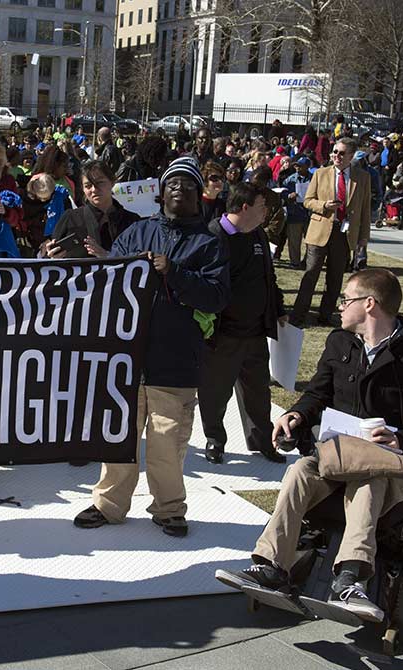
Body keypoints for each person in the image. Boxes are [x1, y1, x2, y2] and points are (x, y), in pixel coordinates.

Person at [220, 268, 403, 622]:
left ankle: (350, 578)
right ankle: (271, 565)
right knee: (300, 470)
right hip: (337, 458)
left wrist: (400, 439)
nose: (340, 306)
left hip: (391, 467)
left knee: (369, 479)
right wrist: (297, 415)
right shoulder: (340, 343)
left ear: (370, 304)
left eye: (347, 299)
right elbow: (317, 394)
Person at [73, 157, 231, 538]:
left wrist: (173, 272)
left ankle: (168, 509)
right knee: (119, 439)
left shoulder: (210, 244)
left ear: (200, 196)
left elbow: (216, 298)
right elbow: (108, 280)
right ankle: (108, 505)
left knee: (167, 443)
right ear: (161, 193)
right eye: (172, 183)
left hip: (175, 359)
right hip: (128, 356)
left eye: (188, 185)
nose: (179, 189)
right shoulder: (137, 232)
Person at [199, 182, 287, 465]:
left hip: (255, 330)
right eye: (263, 206)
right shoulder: (214, 234)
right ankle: (215, 440)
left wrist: (278, 308)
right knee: (216, 390)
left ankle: (262, 439)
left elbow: (268, 278)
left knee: (258, 390)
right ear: (246, 207)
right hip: (224, 332)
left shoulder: (258, 234)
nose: (267, 213)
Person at [290, 137, 371, 328]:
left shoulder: (363, 178)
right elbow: (308, 200)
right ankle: (298, 314)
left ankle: (325, 315)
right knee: (310, 275)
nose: (336, 156)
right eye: (335, 152)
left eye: (342, 153)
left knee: (335, 279)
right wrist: (324, 206)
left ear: (351, 156)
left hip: (344, 233)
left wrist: (364, 237)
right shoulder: (320, 173)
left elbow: (365, 210)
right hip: (319, 231)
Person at [41, 159, 138, 260]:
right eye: (88, 186)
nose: (94, 190)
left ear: (112, 182)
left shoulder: (132, 221)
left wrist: (108, 256)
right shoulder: (71, 219)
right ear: (82, 189)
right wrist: (52, 256)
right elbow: (50, 259)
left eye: (100, 183)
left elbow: (141, 258)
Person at [278, 156, 312, 268]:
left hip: (309, 214)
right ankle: (295, 262)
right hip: (294, 213)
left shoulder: (313, 179)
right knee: (294, 241)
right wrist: (288, 196)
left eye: (301, 166)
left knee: (311, 242)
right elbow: (283, 191)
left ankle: (308, 262)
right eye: (296, 165)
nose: (297, 168)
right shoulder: (290, 179)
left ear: (307, 167)